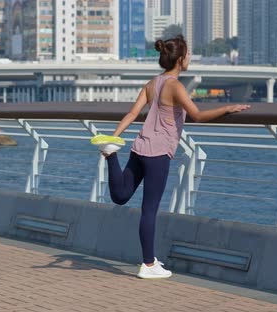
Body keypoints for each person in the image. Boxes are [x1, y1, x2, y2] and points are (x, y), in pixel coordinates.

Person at [90, 35, 250, 279]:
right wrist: (227, 108)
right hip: (158, 154)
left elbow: (133, 113)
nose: (189, 59)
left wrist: (113, 138)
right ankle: (148, 264)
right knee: (149, 210)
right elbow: (197, 115)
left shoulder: (153, 83)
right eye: (188, 55)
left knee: (121, 195)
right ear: (181, 59)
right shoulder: (175, 86)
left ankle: (111, 156)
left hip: (140, 146)